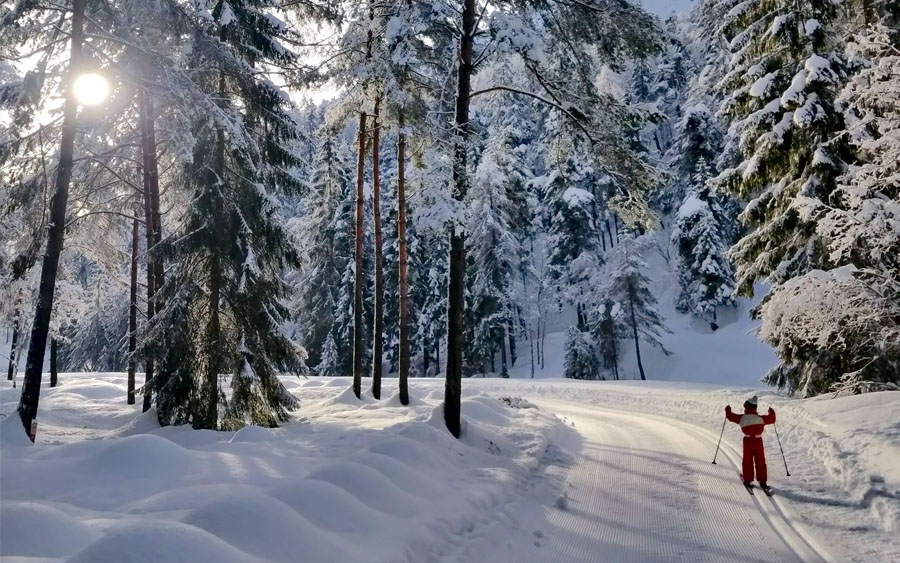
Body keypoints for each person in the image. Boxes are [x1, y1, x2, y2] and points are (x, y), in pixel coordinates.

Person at [725, 396, 776, 492]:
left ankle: (747, 480)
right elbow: (772, 418)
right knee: (760, 460)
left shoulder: (742, 418)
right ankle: (762, 480)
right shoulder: (760, 419)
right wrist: (771, 411)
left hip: (747, 441)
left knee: (747, 460)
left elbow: (730, 416)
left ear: (747, 407)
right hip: (758, 441)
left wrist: (728, 409)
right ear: (755, 408)